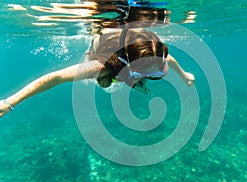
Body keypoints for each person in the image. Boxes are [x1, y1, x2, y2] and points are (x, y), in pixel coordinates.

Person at [0, 27, 194, 118]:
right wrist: (10, 102)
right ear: (129, 67)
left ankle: (136, 80)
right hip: (102, 51)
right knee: (105, 81)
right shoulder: (100, 66)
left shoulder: (155, 56)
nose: (161, 69)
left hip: (128, 63)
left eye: (158, 70)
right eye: (154, 71)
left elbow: (168, 59)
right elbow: (56, 77)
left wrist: (184, 75)